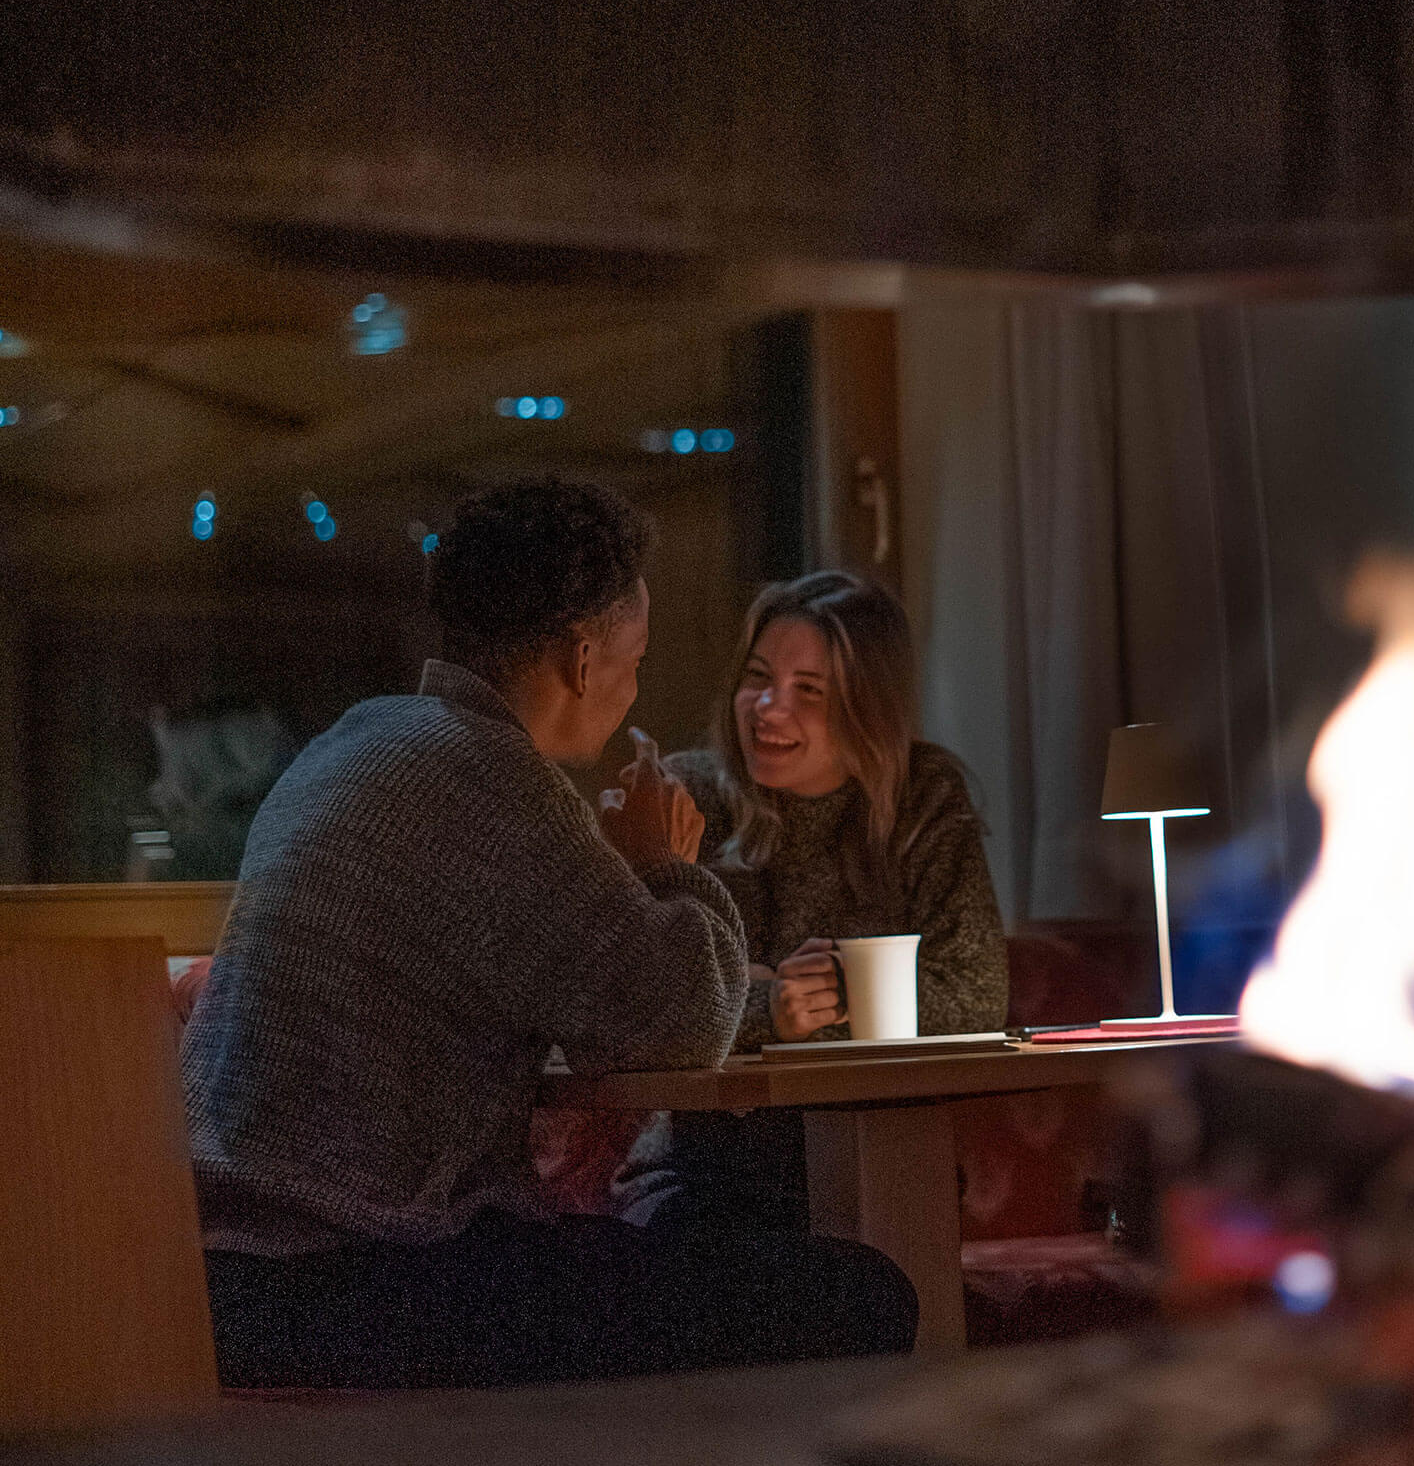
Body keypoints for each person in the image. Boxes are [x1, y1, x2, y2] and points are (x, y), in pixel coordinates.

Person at [184, 479, 916, 1388]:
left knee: (694, 1262)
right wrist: (665, 864)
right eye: (635, 658)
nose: (633, 684)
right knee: (862, 1293)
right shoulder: (490, 780)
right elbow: (681, 1022)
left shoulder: (357, 739)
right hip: (354, 1282)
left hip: (220, 1270)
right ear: (581, 661)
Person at [612, 570, 1008, 1233]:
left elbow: (977, 998)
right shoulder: (690, 795)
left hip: (882, 1158)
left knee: (884, 1244)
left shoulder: (924, 799)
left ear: (866, 707)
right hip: (702, 1171)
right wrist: (772, 1008)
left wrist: (837, 991)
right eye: (758, 677)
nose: (768, 707)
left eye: (809, 692)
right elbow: (636, 1009)